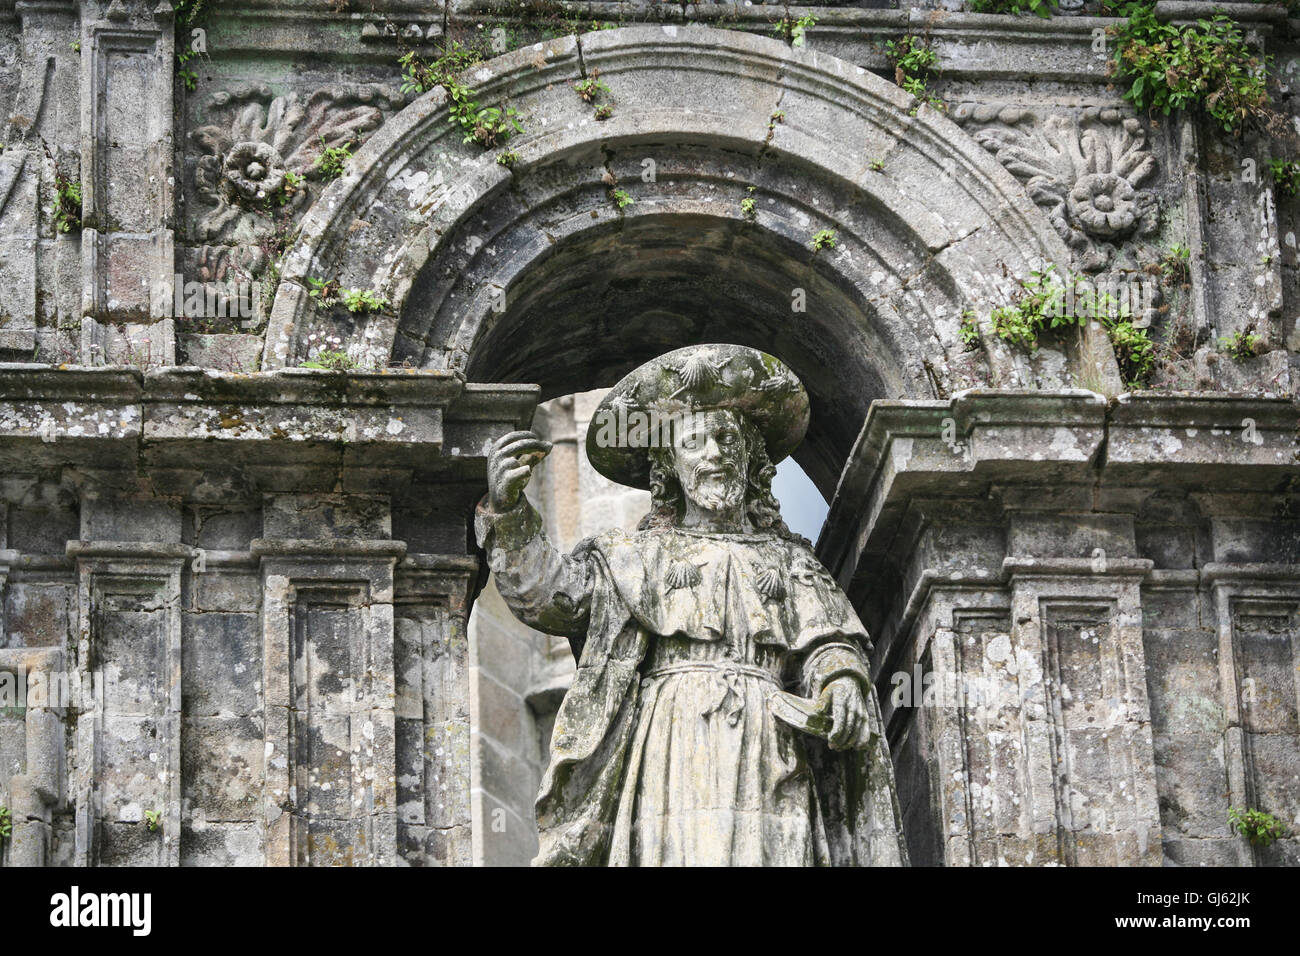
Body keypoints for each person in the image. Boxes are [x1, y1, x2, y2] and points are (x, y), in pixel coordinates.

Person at [475, 344, 907, 866]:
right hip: (670, 744)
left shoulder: (790, 560)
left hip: (771, 739)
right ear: (672, 467)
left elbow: (830, 641)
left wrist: (841, 680)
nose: (715, 455)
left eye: (728, 440)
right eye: (696, 443)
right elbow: (553, 597)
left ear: (750, 458)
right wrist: (510, 514)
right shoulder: (636, 557)